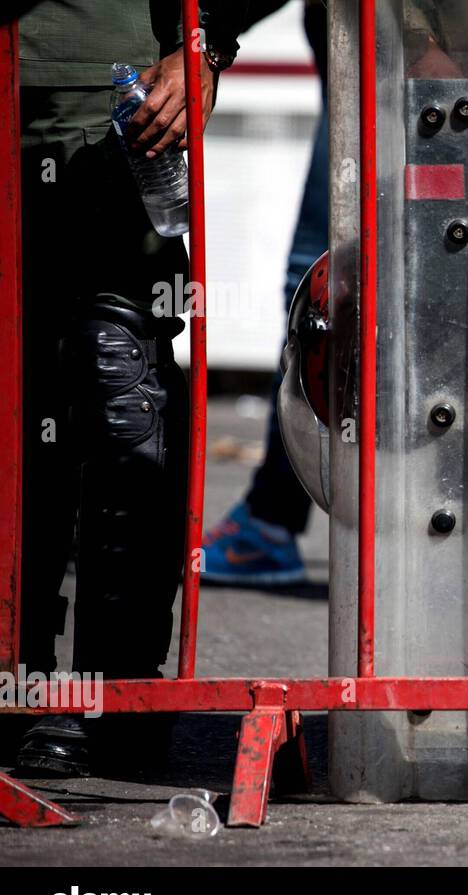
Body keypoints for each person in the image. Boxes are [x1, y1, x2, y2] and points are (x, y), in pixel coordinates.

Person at [11, 0, 248, 776]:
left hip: (106, 84)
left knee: (115, 377)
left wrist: (206, 41)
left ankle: (111, 696)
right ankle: (21, 683)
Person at [199, 0, 327, 587]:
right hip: (392, 66)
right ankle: (271, 520)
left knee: (320, 287)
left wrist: (208, 33)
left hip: (397, 69)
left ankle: (270, 524)